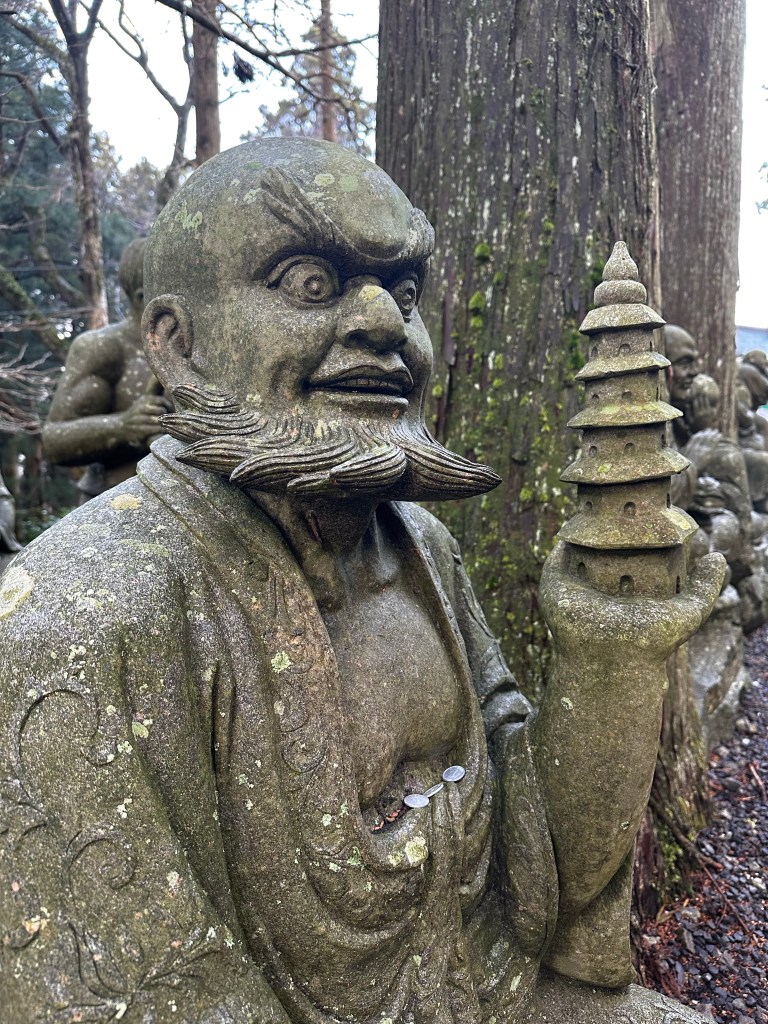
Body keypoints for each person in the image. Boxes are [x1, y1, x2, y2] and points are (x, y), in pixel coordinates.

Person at [0, 140, 722, 1023]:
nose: (386, 324)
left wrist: (609, 656)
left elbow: (544, 883)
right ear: (177, 345)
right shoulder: (77, 620)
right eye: (311, 282)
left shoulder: (422, 547)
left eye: (406, 292)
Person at [42, 238, 171, 502]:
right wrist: (122, 426)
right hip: (114, 503)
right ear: (144, 297)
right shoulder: (104, 348)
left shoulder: (208, 350)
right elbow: (54, 439)